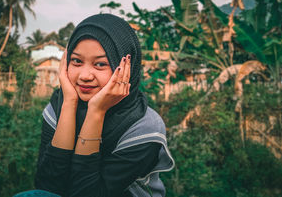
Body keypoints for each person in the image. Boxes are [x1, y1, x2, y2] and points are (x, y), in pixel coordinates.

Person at [24, 14, 174, 197]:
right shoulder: (56, 109)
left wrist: (96, 111)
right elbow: (48, 186)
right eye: (77, 61)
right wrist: (69, 103)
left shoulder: (143, 128)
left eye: (100, 64)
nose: (85, 75)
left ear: (127, 68)